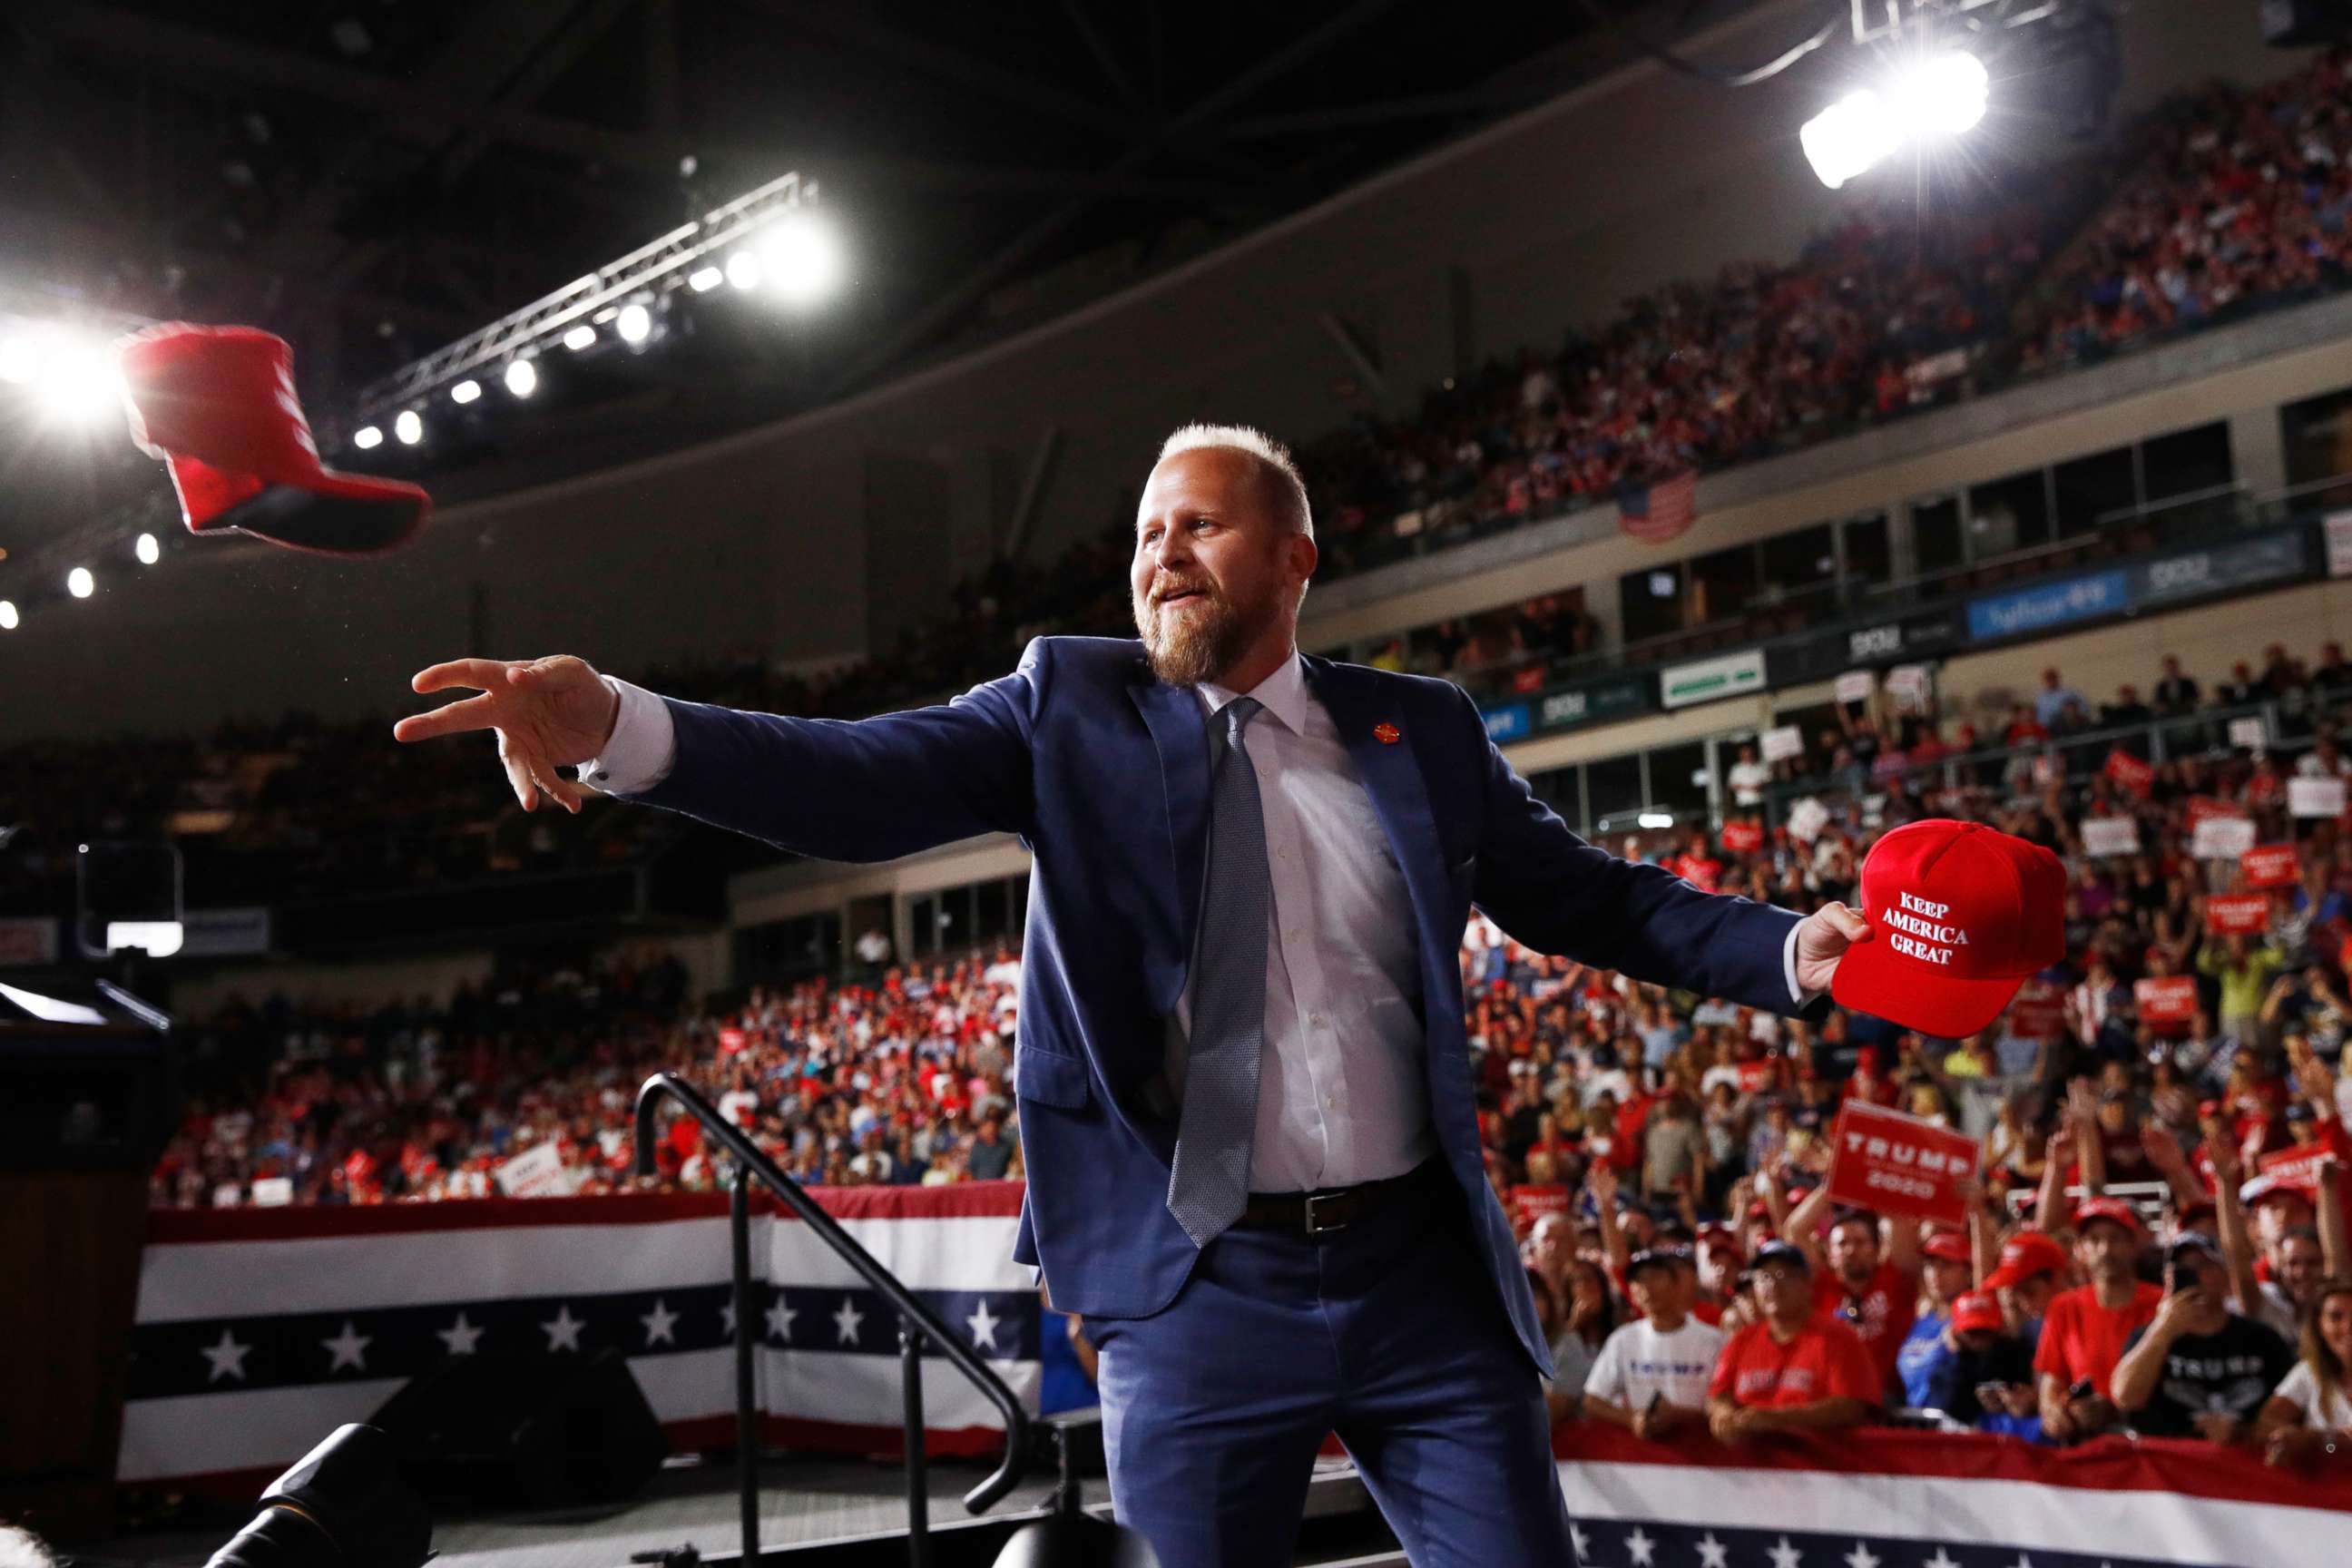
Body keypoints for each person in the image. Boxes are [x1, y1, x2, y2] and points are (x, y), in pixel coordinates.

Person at [394, 422, 1875, 1567]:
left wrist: (1788, 950)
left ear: (1296, 557)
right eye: (1145, 531)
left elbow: (1586, 894)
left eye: (1200, 524)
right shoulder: (1068, 704)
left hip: (1423, 1279)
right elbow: (850, 784)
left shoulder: (1412, 727)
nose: (1160, 552)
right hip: (1191, 1289)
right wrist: (617, 726)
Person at [2112, 1231, 2294, 1444]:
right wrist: (2164, 1328)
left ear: (2225, 1276)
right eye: (2182, 1269)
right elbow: (2125, 1397)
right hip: (2171, 1465)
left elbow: (2294, 1411)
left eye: (2203, 1266)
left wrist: (2242, 1430)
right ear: (2167, 1279)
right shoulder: (2149, 1336)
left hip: (2243, 1464)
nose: (2194, 1276)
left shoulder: (2261, 1338)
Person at [1707, 1241, 1880, 1444]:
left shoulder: (1838, 1337)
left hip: (1821, 1466)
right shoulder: (1742, 1340)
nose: (1772, 1285)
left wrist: (1779, 1420)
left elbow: (1851, 1407)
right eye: (1764, 1277)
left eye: (1783, 1275)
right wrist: (1724, 1414)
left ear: (1806, 1283)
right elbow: (1718, 1394)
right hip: (1750, 1468)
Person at [2035, 1199, 2161, 1444]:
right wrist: (2056, 1413)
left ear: (2134, 1245)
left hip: (2146, 1444)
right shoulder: (2064, 1307)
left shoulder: (2163, 1306)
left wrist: (2115, 1411)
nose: (2105, 1249)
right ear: (2079, 1249)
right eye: (2094, 1240)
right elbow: (2051, 1384)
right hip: (2084, 1446)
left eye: (2115, 1238)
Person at [1582, 1247, 1724, 1440]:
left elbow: (1724, 1406)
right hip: (1646, 1460)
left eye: (1656, 1277)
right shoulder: (1623, 1339)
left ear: (1676, 1284)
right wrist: (1632, 1419)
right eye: (1639, 1281)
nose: (1648, 1288)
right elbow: (1592, 1400)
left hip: (1705, 1454)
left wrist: (1679, 1416)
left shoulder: (1713, 1340)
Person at [2254, 1278, 2352, 1465]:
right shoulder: (2309, 1371)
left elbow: (2335, 1445)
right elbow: (2265, 1426)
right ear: (2320, 1326)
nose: (2348, 1327)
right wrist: (2287, 1436)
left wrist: (2320, 1441)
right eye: (2336, 1317)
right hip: (2324, 1490)